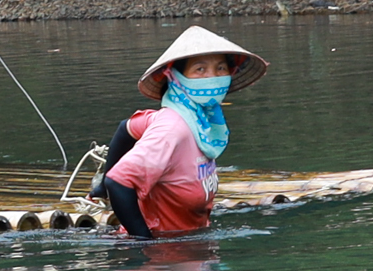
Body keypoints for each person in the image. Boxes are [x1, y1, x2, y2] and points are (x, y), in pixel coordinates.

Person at [96, 26, 268, 239]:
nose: (212, 77)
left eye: (221, 68)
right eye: (200, 69)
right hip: (166, 257)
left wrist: (101, 185)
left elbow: (126, 127)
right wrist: (144, 244)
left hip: (192, 250)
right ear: (176, 77)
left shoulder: (198, 120)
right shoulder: (172, 129)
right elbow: (119, 182)